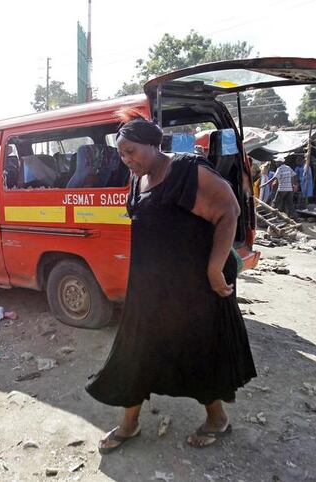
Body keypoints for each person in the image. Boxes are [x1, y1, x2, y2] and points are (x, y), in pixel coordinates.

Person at [86, 110, 256, 453]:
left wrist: (214, 267)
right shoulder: (138, 178)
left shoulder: (185, 170)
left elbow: (229, 211)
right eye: (121, 153)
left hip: (192, 288)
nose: (126, 159)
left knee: (197, 352)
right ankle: (129, 423)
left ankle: (217, 419)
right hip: (150, 290)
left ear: (154, 144)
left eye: (131, 151)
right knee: (136, 352)